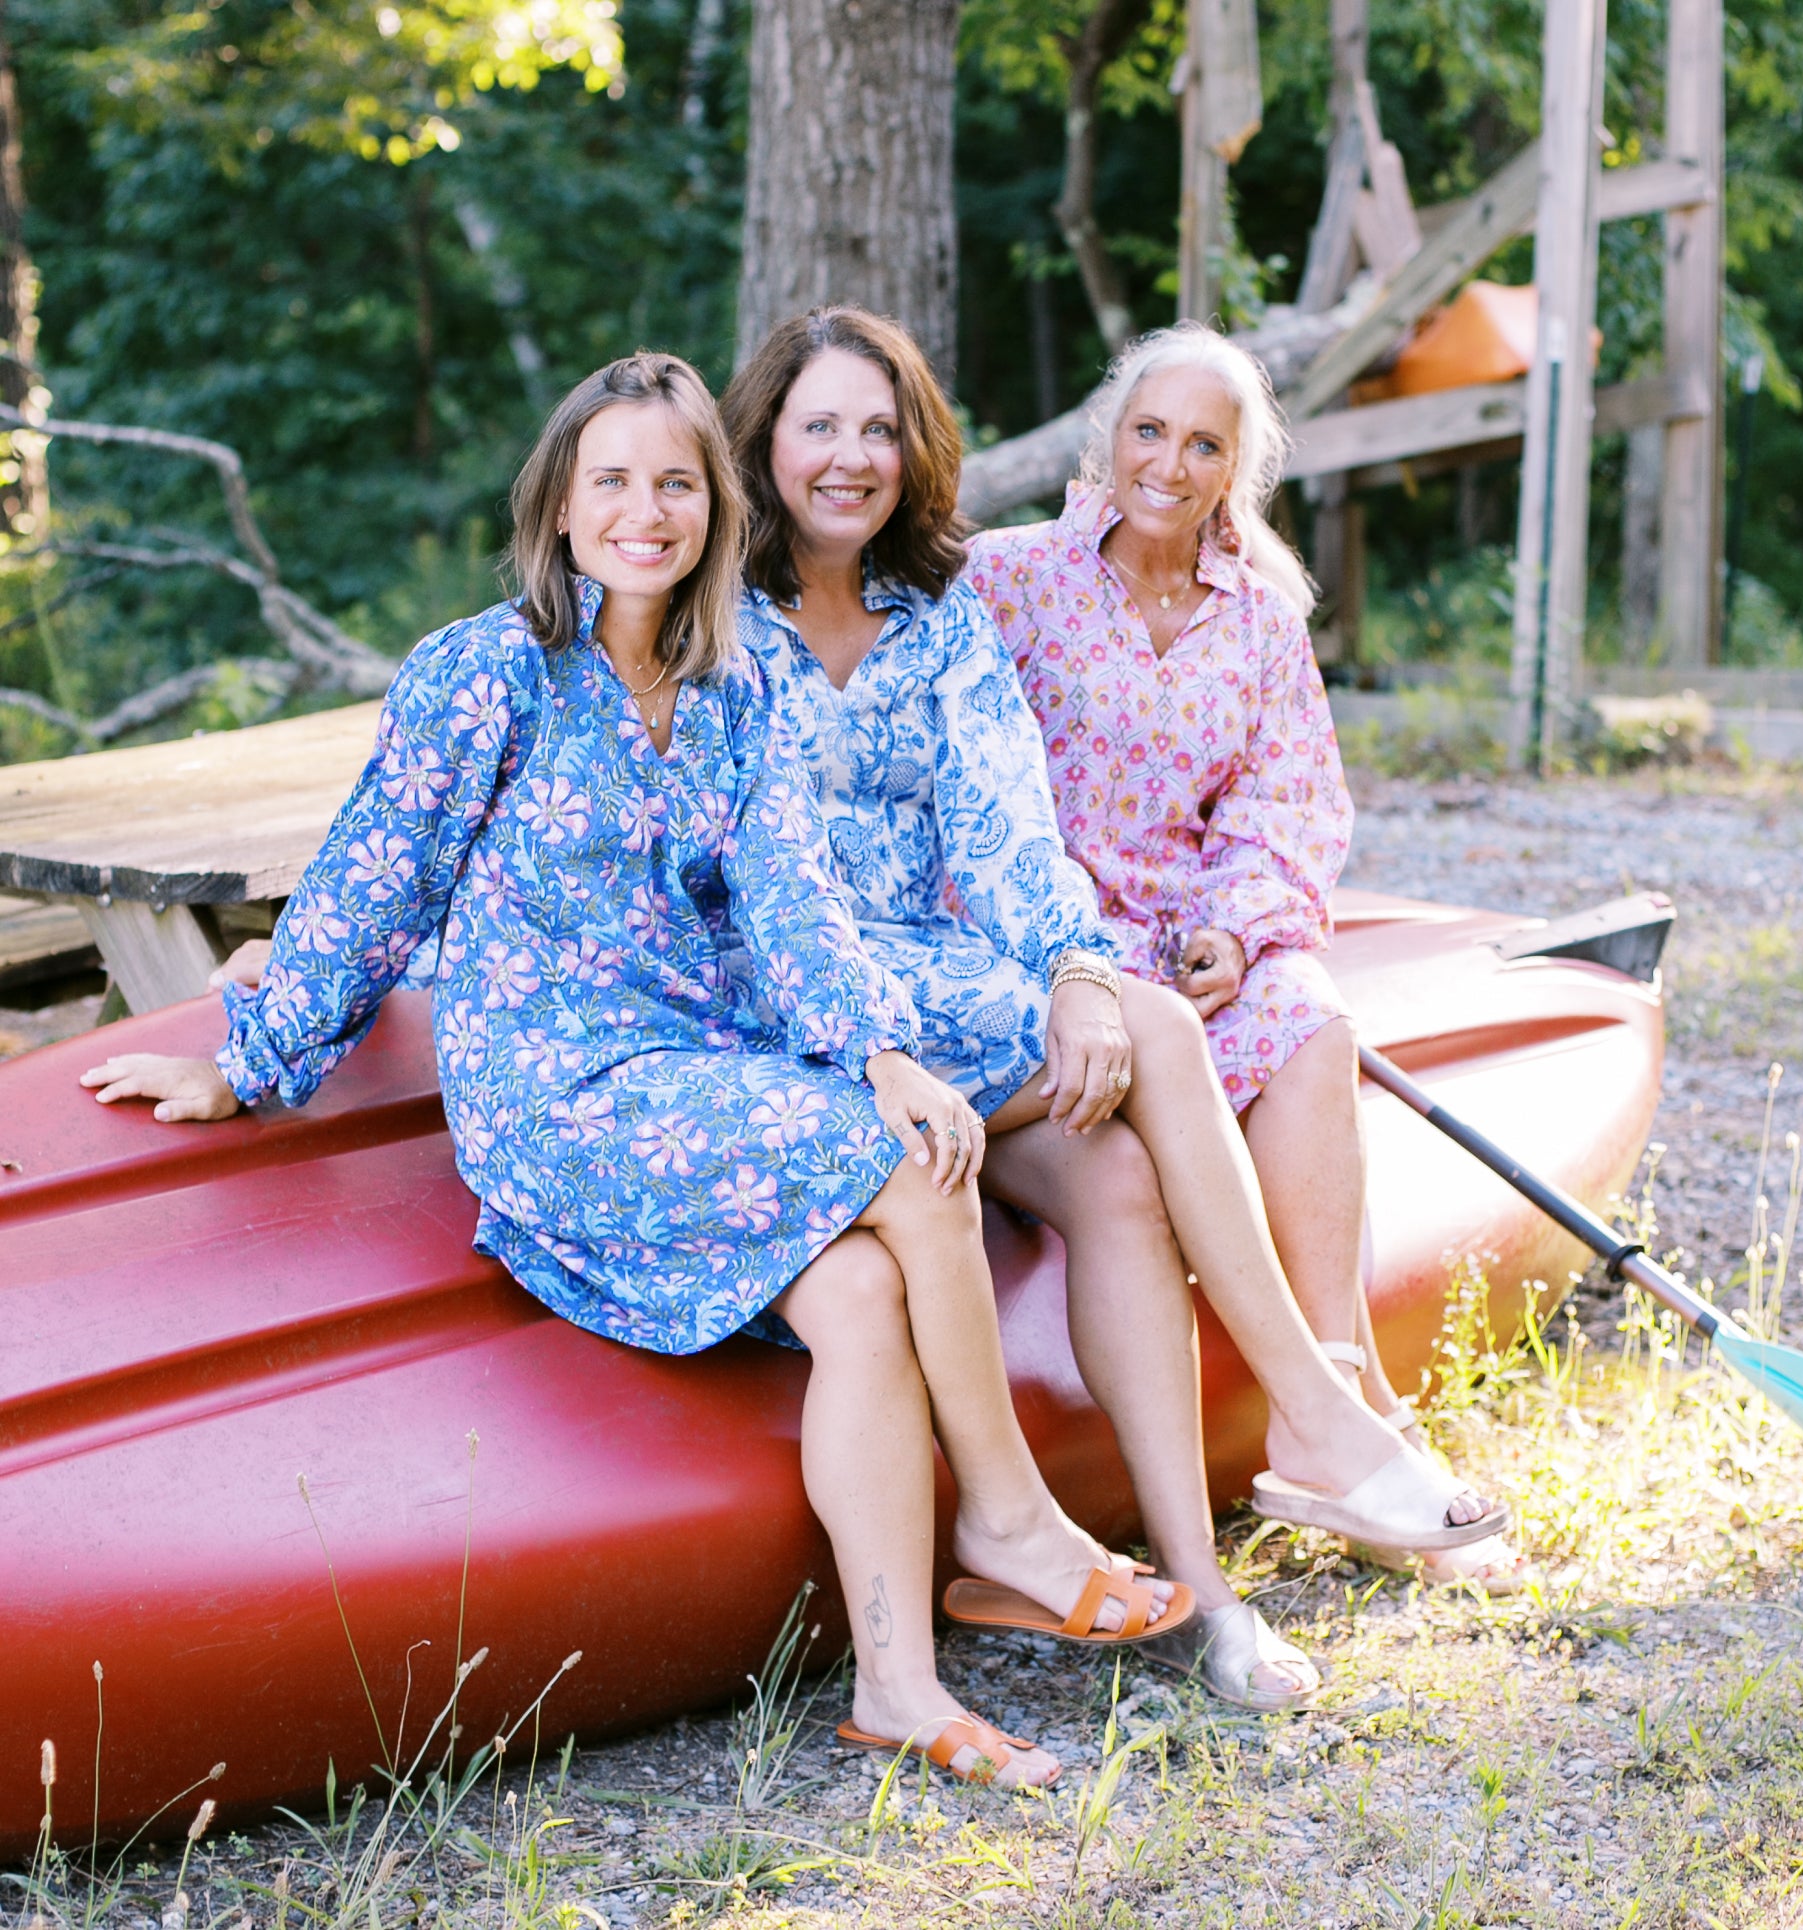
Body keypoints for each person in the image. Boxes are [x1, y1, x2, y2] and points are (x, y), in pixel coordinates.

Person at [80, 352, 1191, 1792]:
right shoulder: (484, 673)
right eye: (611, 480)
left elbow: (793, 899)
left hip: (703, 1063)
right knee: (916, 1174)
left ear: (716, 510)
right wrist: (250, 1061)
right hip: (555, 1091)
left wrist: (877, 1051)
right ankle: (1010, 1519)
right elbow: (373, 879)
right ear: (558, 505)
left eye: (675, 482)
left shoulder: (737, 685)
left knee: (862, 1287)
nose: (644, 510)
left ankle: (897, 1684)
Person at [722, 306, 1511, 1713]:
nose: (850, 456)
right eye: (819, 426)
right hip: (816, 1011)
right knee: (1152, 1025)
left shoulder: (936, 614)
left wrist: (1090, 965)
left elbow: (1008, 824)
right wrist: (1088, 976)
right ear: (764, 440)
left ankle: (1205, 1595)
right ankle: (1321, 1415)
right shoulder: (734, 617)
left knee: (1135, 1165)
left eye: (877, 429)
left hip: (984, 986)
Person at [969, 321, 1525, 1590]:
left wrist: (1234, 924)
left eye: (1200, 444)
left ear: (1236, 469)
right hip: (1050, 946)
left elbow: (1287, 803)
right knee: (1184, 1031)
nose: (1166, 463)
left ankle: (1328, 1404)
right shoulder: (1007, 580)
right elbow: (957, 779)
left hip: (1194, 938)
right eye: (1147, 431)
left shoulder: (1260, 621)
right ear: (1107, 436)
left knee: (1307, 1009)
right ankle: (1360, 1433)